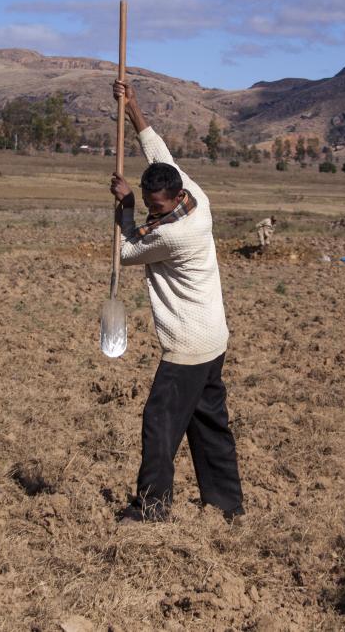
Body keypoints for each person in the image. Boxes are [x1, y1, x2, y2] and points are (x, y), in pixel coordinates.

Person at [108, 79, 244, 523]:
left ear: (173, 199)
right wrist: (133, 108)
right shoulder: (193, 195)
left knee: (159, 424)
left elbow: (127, 252)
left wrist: (125, 209)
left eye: (156, 207)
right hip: (214, 338)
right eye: (148, 203)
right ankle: (226, 506)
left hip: (187, 347)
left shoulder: (175, 233)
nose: (153, 211)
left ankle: (152, 509)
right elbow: (158, 151)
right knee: (208, 425)